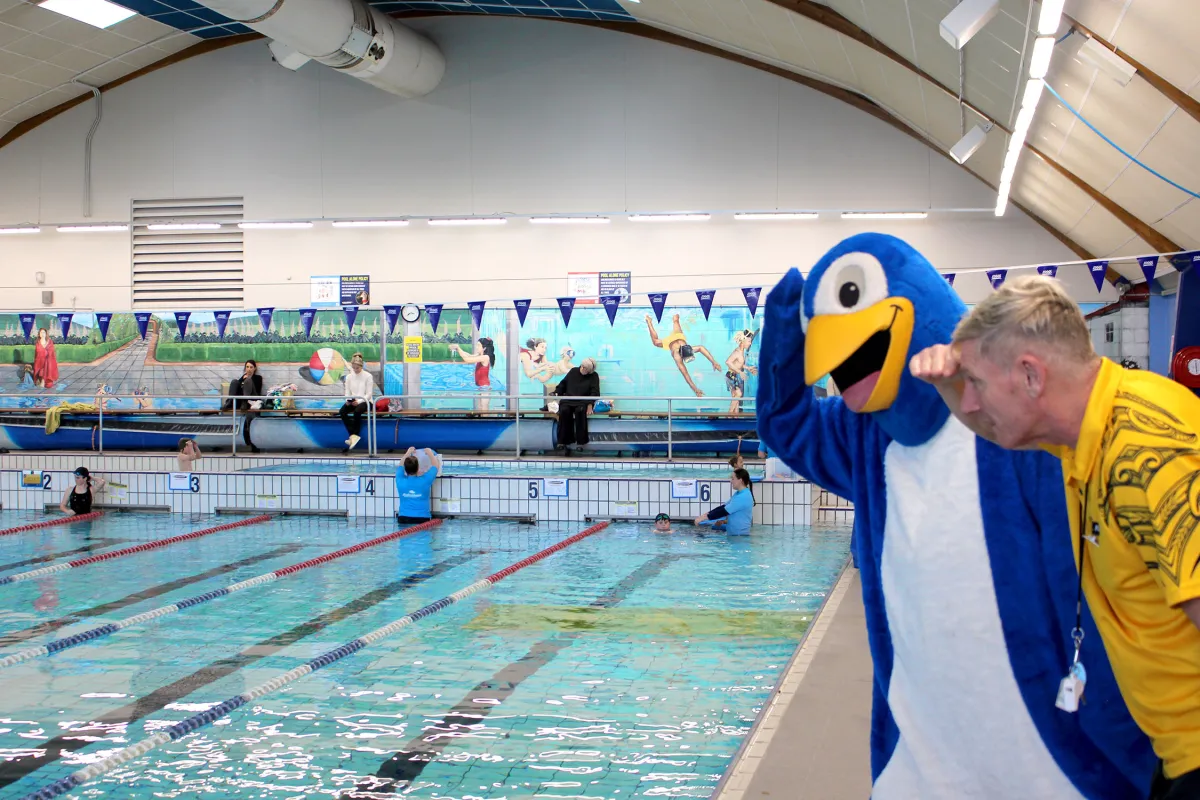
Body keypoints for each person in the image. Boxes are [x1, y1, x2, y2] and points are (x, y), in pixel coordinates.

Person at [910, 275, 1200, 797]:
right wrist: (949, 382)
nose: (970, 404)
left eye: (977, 382)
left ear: (1030, 377)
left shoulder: (1147, 452)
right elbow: (994, 426)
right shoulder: (1087, 434)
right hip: (1176, 753)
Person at [645, 313, 721, 397]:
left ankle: (650, 321)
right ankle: (650, 321)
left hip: (676, 338)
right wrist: (714, 362)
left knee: (673, 322)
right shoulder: (679, 355)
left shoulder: (679, 355)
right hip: (676, 338)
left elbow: (700, 349)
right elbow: (686, 374)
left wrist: (714, 362)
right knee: (673, 323)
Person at [553, 357, 600, 453]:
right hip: (569, 400)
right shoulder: (573, 371)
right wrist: (557, 392)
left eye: (585, 368)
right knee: (564, 410)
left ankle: (580, 442)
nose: (582, 369)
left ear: (590, 371)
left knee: (580, 411)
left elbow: (595, 392)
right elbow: (563, 384)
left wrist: (590, 404)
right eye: (582, 366)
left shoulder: (594, 376)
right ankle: (563, 441)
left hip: (583, 401)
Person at [693, 468, 753, 535]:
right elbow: (723, 507)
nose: (731, 481)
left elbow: (723, 511)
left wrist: (704, 517)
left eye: (733, 479)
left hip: (739, 537)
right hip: (735, 534)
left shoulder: (743, 497)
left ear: (740, 480)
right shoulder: (739, 493)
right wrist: (706, 514)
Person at [395, 446, 442, 524]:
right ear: (418, 468)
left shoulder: (400, 480)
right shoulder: (425, 480)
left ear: (405, 469)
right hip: (422, 519)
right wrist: (429, 453)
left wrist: (408, 452)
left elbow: (400, 466)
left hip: (403, 518)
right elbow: (435, 466)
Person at [226, 359, 263, 453]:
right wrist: (242, 379)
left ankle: (245, 401)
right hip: (242, 403)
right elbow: (237, 388)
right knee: (234, 382)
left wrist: (247, 379)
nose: (249, 369)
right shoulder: (242, 378)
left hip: (253, 400)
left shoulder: (258, 378)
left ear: (255, 369)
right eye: (247, 367)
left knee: (248, 381)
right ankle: (230, 402)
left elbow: (257, 390)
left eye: (251, 367)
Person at [341, 353, 373, 451]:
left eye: (357, 368)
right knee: (342, 411)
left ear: (361, 366)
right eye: (354, 368)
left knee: (357, 411)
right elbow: (347, 391)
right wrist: (347, 400)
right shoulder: (349, 377)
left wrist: (358, 401)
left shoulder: (368, 376)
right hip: (353, 400)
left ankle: (355, 435)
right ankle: (352, 436)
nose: (355, 370)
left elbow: (369, 394)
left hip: (366, 401)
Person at [454, 337, 495, 411]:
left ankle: (486, 422)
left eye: (478, 345)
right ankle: (482, 422)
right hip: (480, 387)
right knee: (480, 408)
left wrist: (459, 349)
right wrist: (458, 349)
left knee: (484, 410)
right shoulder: (480, 356)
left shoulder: (485, 357)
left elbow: (468, 360)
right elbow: (468, 355)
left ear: (484, 348)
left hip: (485, 388)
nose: (476, 347)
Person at [724, 329, 758, 413]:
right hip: (731, 375)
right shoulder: (737, 352)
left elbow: (738, 363)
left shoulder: (741, 351)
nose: (750, 343)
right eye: (749, 341)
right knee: (738, 394)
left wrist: (748, 368)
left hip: (734, 375)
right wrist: (740, 372)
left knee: (736, 397)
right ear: (743, 341)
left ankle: (734, 416)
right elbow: (728, 362)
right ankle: (729, 414)